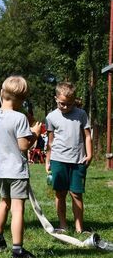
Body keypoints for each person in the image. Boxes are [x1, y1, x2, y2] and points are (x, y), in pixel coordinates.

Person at [0, 76, 41, 258]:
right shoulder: (19, 118)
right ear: (21, 99)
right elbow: (23, 146)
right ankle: (18, 251)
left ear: (3, 93)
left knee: (4, 202)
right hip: (16, 171)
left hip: (0, 170)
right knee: (18, 209)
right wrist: (35, 134)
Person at [45, 82, 93, 233]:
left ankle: (79, 227)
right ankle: (63, 225)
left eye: (69, 104)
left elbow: (87, 136)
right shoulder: (51, 117)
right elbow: (50, 141)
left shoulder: (81, 114)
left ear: (74, 101)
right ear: (56, 99)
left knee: (76, 194)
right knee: (60, 194)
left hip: (78, 161)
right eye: (62, 104)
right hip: (58, 160)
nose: (65, 107)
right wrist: (48, 160)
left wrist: (89, 154)